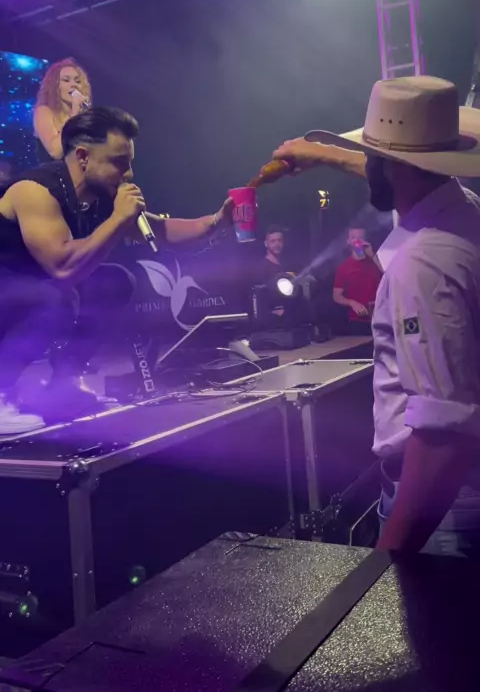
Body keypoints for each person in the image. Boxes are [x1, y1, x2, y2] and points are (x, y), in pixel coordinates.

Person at [273, 75, 480, 557]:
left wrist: (383, 564)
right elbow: (400, 174)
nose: (363, 165)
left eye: (371, 157)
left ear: (392, 167)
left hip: (444, 518)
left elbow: (443, 436)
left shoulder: (423, 265)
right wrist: (323, 154)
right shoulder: (464, 212)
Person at [0, 106, 230, 436]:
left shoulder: (100, 196)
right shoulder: (35, 191)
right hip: (10, 285)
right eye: (119, 162)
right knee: (51, 296)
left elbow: (162, 230)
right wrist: (119, 219)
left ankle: (64, 382)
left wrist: (216, 222)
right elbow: (62, 267)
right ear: (83, 157)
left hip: (32, 285)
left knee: (115, 281)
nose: (129, 173)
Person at [34, 58, 92, 161]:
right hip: (52, 170)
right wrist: (74, 114)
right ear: (55, 86)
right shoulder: (44, 111)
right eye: (66, 80)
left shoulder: (83, 117)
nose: (74, 85)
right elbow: (55, 152)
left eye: (78, 81)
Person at [333, 227, 382, 335]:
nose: (357, 241)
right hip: (358, 321)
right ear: (348, 241)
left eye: (360, 237)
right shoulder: (344, 268)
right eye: (354, 237)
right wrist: (352, 303)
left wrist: (373, 256)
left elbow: (388, 276)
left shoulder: (375, 261)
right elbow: (336, 296)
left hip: (380, 317)